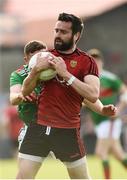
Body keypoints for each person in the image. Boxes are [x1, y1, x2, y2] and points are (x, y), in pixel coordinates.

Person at [17, 13, 116, 179]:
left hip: (67, 132)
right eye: (56, 30)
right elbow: (25, 91)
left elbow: (92, 94)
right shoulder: (43, 57)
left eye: (63, 32)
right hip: (38, 128)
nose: (57, 34)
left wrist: (66, 74)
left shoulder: (87, 62)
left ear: (76, 35)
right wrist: (34, 71)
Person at [87, 48, 127, 179]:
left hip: (109, 120)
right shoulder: (86, 80)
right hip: (99, 121)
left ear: (102, 62)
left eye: (97, 59)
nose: (95, 61)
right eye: (92, 59)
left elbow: (125, 93)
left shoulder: (109, 78)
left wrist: (119, 110)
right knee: (118, 154)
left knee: (100, 152)